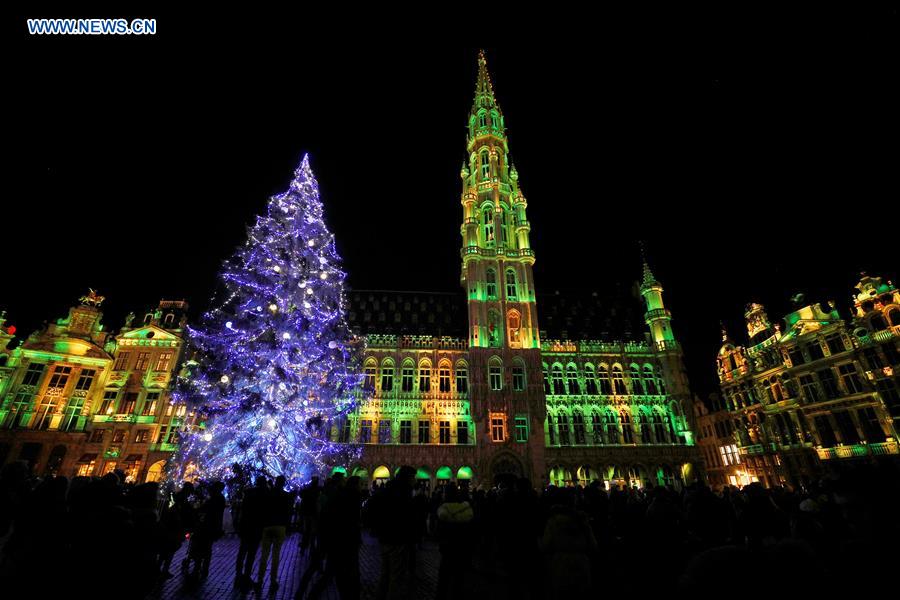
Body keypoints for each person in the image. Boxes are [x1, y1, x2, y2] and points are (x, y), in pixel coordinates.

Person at [371, 465, 418, 600]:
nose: (415, 480)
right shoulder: (404, 493)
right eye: (413, 477)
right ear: (408, 478)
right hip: (398, 539)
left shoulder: (387, 489)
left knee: (385, 574)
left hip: (384, 537)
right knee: (396, 577)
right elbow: (407, 518)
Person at [435, 484, 474, 600]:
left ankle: (441, 595)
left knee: (444, 575)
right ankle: (457, 594)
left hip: (447, 546)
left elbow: (438, 531)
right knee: (459, 574)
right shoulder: (466, 509)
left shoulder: (443, 510)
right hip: (461, 546)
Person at [257, 475, 293, 592]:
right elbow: (289, 512)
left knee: (264, 554)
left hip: (267, 525)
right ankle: (273, 580)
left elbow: (262, 509)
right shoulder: (286, 496)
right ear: (283, 484)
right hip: (280, 526)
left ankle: (260, 580)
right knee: (276, 555)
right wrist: (288, 526)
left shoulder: (268, 494)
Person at [186, 480, 226, 579]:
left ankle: (198, 568)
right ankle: (204, 569)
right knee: (207, 548)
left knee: (202, 547)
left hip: (207, 526)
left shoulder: (215, 499)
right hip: (213, 526)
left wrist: (195, 510)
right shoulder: (220, 499)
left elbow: (205, 508)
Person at [236, 476, 267, 588]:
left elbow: (243, 509)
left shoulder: (249, 493)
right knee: (251, 554)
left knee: (242, 551)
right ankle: (246, 575)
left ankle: (238, 574)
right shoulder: (264, 495)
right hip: (256, 527)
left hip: (246, 525)